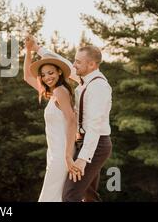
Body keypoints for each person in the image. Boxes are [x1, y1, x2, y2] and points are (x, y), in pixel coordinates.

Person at [24, 36, 113, 202]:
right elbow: (61, 62)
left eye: (78, 62)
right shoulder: (84, 79)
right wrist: (37, 49)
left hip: (96, 145)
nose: (74, 65)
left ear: (92, 64)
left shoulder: (98, 87)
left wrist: (81, 159)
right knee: (89, 195)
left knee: (70, 195)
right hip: (83, 143)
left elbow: (94, 127)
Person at [24, 36, 78, 202]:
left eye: (51, 73)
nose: (47, 77)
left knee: (49, 198)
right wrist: (28, 51)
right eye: (44, 75)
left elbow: (72, 121)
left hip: (62, 153)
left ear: (59, 72)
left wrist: (68, 155)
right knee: (56, 197)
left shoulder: (61, 91)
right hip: (54, 152)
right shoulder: (54, 93)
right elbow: (27, 77)